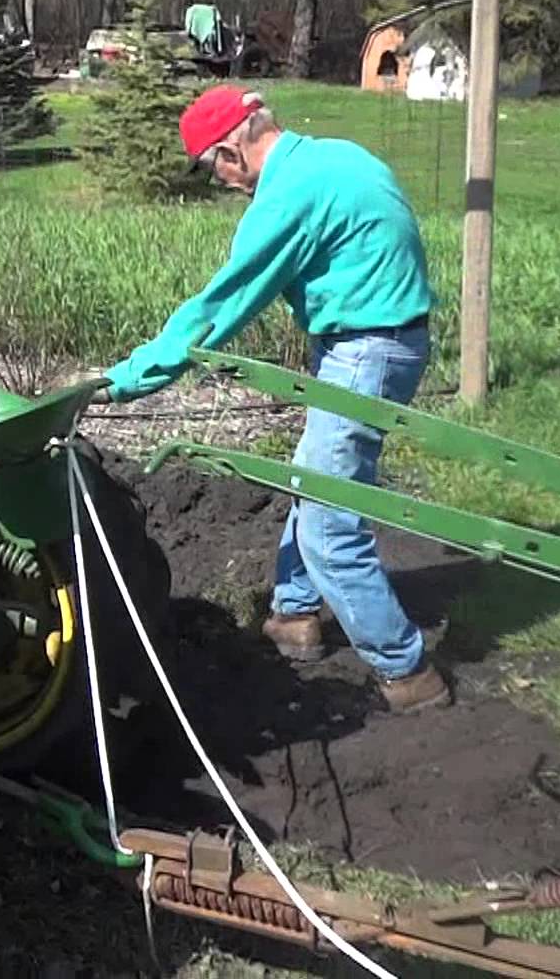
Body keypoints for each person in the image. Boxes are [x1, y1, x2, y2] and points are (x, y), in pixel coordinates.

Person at [90, 84, 450, 714]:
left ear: (230, 151)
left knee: (329, 525)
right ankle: (295, 614)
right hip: (386, 338)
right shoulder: (336, 156)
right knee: (315, 476)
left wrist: (124, 379)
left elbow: (218, 309)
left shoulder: (286, 198)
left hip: (366, 350)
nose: (225, 185)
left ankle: (408, 671)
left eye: (214, 172)